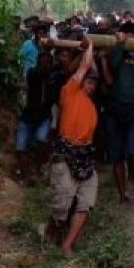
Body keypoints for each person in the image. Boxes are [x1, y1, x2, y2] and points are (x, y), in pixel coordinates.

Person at [46, 38, 99, 256]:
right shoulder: (69, 92)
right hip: (66, 151)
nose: (92, 85)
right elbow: (84, 66)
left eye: (94, 83)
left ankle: (67, 244)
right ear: (80, 80)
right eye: (88, 81)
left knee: (85, 202)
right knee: (62, 203)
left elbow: (89, 67)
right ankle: (54, 226)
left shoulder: (92, 107)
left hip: (84, 154)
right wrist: (91, 46)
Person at [98, 21, 134, 203]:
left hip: (133, 110)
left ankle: (131, 179)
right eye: (126, 35)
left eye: (133, 36)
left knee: (132, 150)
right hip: (114, 109)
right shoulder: (115, 52)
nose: (129, 38)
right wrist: (120, 45)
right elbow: (114, 66)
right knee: (116, 154)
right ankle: (122, 193)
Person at [16, 49, 56, 183]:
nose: (46, 65)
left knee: (41, 140)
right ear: (38, 63)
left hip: (43, 116)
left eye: (49, 63)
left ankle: (38, 170)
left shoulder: (53, 77)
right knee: (20, 147)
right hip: (28, 116)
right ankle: (25, 175)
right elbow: (39, 72)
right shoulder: (32, 73)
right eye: (43, 62)